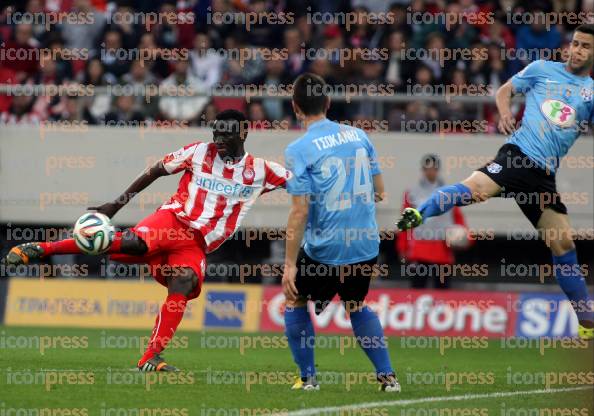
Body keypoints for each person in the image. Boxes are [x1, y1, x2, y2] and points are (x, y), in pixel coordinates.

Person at [5, 110, 291, 370]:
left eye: (225, 133)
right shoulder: (197, 152)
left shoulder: (262, 170)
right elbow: (155, 170)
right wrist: (115, 206)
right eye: (215, 133)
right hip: (172, 220)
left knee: (185, 282)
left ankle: (150, 356)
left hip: (196, 244)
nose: (218, 139)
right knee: (129, 243)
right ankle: (40, 249)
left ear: (243, 133)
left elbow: (301, 183)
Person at [395, 25, 594, 340]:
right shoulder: (543, 69)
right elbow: (504, 90)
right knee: (475, 188)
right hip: (517, 157)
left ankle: (587, 323)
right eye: (575, 44)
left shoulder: (591, 93)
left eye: (585, 46)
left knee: (564, 244)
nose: (577, 50)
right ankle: (422, 212)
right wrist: (503, 114)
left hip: (542, 178)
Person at [281, 73, 400, 392]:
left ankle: (308, 378)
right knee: (356, 304)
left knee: (294, 299)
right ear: (328, 103)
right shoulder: (360, 136)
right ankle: (388, 378)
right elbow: (378, 191)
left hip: (326, 248)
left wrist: (290, 264)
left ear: (295, 108)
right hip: (365, 245)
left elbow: (300, 210)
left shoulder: (298, 148)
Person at [396, 154, 470, 289]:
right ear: (423, 170)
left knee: (442, 290)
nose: (430, 172)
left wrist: (465, 237)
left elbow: (457, 218)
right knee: (417, 289)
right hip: (419, 248)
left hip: (442, 249)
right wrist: (403, 247)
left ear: (437, 170)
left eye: (433, 169)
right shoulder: (412, 193)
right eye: (427, 169)